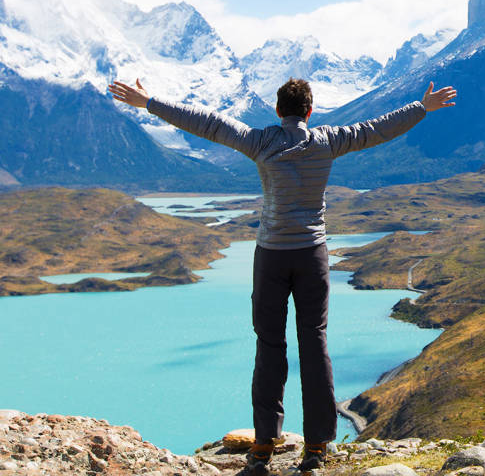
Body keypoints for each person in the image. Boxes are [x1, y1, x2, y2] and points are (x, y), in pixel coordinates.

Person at [108, 77, 456, 476]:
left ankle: (263, 445)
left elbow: (206, 122)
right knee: (315, 344)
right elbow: (377, 129)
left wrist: (150, 102)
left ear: (278, 111)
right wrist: (422, 107)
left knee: (269, 346)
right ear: (310, 112)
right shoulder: (328, 140)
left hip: (271, 256)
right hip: (312, 256)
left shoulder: (260, 142)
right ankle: (317, 446)